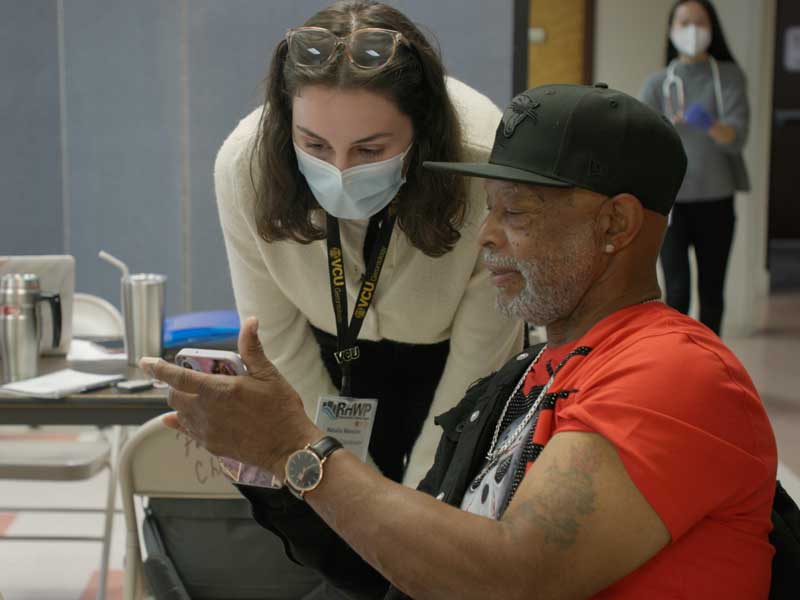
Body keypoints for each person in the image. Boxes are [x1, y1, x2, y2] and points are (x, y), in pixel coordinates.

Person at [144, 83, 778, 599]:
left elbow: (512, 578)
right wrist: (273, 468)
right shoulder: (532, 376)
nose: (486, 236)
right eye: (489, 209)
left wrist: (294, 448)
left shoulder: (672, 375)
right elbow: (417, 562)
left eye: (517, 212)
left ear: (615, 223)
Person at [214, 0, 521, 488]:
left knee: (443, 532)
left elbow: (482, 359)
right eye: (314, 145)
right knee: (330, 538)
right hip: (320, 367)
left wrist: (416, 503)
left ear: (422, 133)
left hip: (450, 367)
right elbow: (278, 343)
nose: (340, 169)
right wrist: (351, 486)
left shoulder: (479, 164)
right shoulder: (245, 168)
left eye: (370, 150)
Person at [640, 0, 750, 335]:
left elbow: (736, 137)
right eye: (684, 23)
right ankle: (678, 363)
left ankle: (712, 367)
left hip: (716, 200)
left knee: (712, 292)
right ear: (671, 30)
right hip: (671, 203)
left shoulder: (728, 76)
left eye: (699, 23)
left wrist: (709, 124)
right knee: (676, 293)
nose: (692, 31)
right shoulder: (659, 83)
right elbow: (641, 137)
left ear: (712, 29)